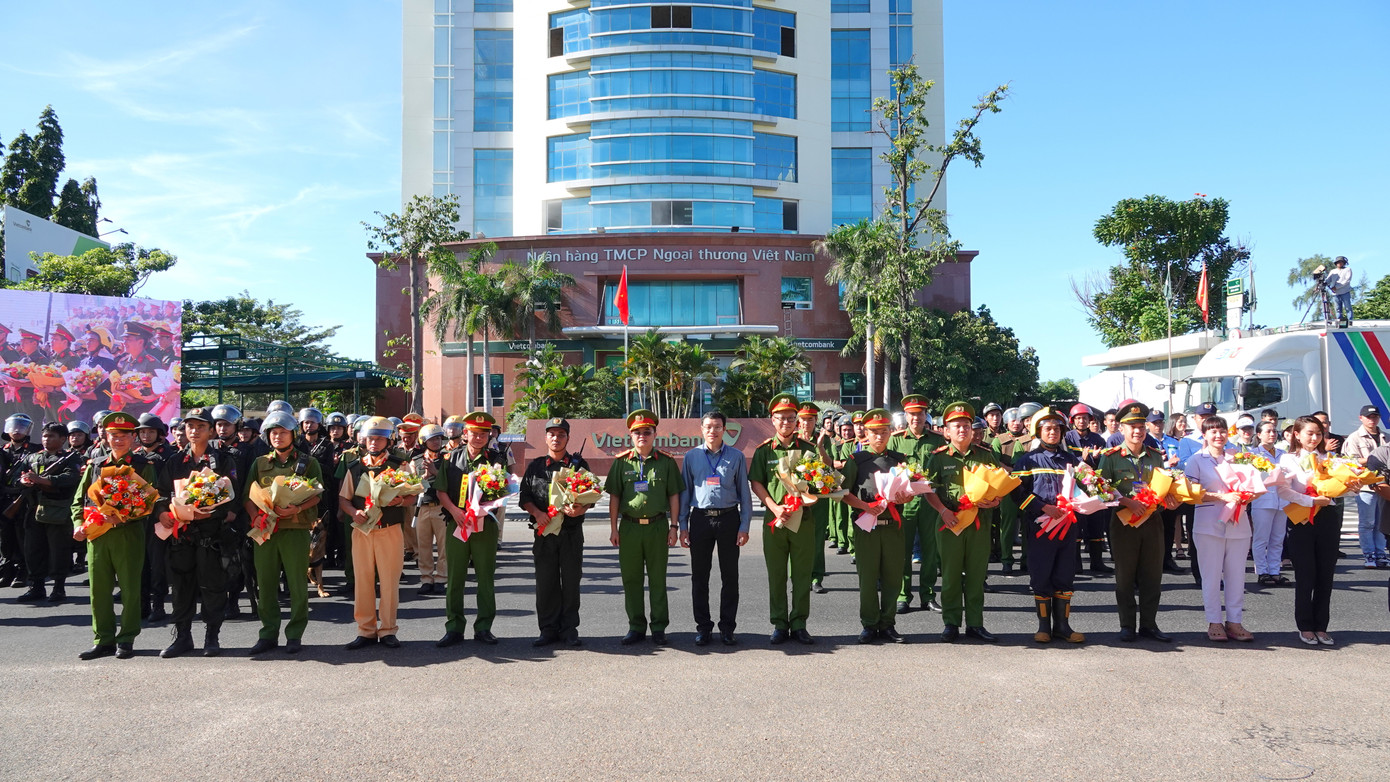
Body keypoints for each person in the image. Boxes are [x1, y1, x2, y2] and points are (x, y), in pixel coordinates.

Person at [72, 412, 158, 660]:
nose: (118, 440)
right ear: (105, 437)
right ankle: (103, 639)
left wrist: (123, 517)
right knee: (98, 590)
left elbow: (150, 502)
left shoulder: (143, 465)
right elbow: (79, 499)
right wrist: (77, 524)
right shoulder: (95, 464)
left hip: (127, 534)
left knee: (130, 588)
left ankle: (127, 638)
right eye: (113, 435)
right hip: (97, 534)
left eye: (124, 435)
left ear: (134, 437)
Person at [156, 408, 238, 658]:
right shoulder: (174, 461)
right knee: (181, 588)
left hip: (211, 536)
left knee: (213, 587)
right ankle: (182, 637)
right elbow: (160, 494)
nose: (194, 431)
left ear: (211, 431)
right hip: (182, 536)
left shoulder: (223, 460)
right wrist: (161, 513)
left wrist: (211, 514)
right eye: (189, 426)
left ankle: (211, 637)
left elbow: (233, 501)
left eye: (200, 426)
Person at [923, 402, 1003, 642]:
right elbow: (927, 489)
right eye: (956, 426)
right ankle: (951, 623)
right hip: (950, 523)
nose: (962, 430)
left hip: (979, 524)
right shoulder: (937, 458)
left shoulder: (986, 455)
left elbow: (999, 485)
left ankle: (975, 624)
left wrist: (995, 501)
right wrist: (942, 510)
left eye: (966, 425)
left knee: (977, 576)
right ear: (946, 431)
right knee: (951, 576)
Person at [243, 411, 322, 655]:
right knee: (265, 584)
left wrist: (297, 507)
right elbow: (249, 495)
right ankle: (268, 634)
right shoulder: (260, 463)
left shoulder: (308, 462)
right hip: (266, 531)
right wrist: (256, 516)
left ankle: (295, 635)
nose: (278, 437)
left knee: (297, 584)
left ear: (293, 435)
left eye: (283, 432)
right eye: (274, 433)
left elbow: (317, 494)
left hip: (295, 530)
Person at [604, 409, 683, 646]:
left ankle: (659, 627)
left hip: (658, 527)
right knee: (631, 579)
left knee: (658, 579)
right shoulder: (621, 463)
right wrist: (613, 528)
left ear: (654, 434)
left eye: (646, 432)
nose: (642, 436)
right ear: (630, 435)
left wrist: (674, 526)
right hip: (629, 528)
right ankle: (636, 626)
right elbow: (615, 497)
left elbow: (674, 496)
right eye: (637, 432)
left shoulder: (666, 462)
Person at [1097, 402, 1174, 643]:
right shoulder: (1110, 458)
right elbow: (1101, 490)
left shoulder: (1155, 457)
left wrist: (1171, 499)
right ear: (1121, 428)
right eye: (1132, 426)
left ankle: (1149, 624)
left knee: (1152, 576)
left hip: (1152, 522)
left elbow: (1162, 487)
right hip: (1124, 523)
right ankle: (1127, 625)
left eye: (1141, 426)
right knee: (1125, 577)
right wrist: (1127, 502)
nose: (1137, 431)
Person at [748, 394, 819, 645]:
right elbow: (756, 482)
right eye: (781, 418)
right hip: (775, 521)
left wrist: (811, 493)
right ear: (772, 420)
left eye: (791, 418)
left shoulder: (809, 450)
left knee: (801, 575)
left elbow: (820, 482)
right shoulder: (764, 450)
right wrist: (775, 508)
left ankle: (799, 623)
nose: (787, 423)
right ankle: (779, 623)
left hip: (803, 520)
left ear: (797, 421)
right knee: (776, 574)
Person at [517, 417, 593, 647]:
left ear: (567, 438)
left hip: (570, 533)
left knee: (571, 582)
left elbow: (590, 496)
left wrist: (580, 509)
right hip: (544, 532)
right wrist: (537, 513)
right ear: (546, 437)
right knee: (546, 583)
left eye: (561, 434)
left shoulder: (579, 465)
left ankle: (570, 629)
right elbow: (525, 497)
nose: (556, 438)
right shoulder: (536, 466)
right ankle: (548, 629)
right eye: (552, 434)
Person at [677, 411, 751, 646]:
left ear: (724, 429)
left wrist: (744, 525)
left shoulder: (737, 456)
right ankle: (703, 628)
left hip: (729, 519)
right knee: (700, 577)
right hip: (700, 520)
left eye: (717, 426)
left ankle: (728, 628)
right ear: (701, 429)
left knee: (730, 576)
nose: (713, 431)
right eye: (708, 426)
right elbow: (685, 492)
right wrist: (683, 525)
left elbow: (745, 494)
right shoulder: (691, 457)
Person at [1012, 407, 1084, 643]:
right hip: (1040, 528)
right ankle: (1043, 627)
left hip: (1068, 526)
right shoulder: (1027, 460)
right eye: (1047, 428)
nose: (1052, 432)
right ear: (1038, 431)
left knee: (1065, 574)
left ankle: (1063, 626)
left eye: (1056, 428)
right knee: (1041, 575)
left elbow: (1084, 488)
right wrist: (1043, 508)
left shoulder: (1072, 460)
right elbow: (1017, 494)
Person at [338, 416, 410, 650]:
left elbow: (414, 495)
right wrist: (353, 512)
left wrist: (400, 500)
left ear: (389, 441)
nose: (374, 442)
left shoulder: (400, 465)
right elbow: (343, 499)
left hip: (389, 530)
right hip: (362, 531)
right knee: (363, 581)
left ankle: (388, 629)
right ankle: (365, 630)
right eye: (371, 438)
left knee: (390, 581)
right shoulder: (355, 465)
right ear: (363, 439)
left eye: (380, 438)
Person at [434, 411, 505, 647]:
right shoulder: (450, 458)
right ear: (465, 434)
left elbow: (502, 492)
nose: (479, 438)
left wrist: (483, 510)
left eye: (483, 434)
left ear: (489, 436)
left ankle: (484, 627)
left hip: (484, 526)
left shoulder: (496, 460)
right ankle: (454, 627)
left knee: (485, 577)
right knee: (455, 577)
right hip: (457, 524)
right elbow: (441, 490)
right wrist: (455, 511)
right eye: (474, 433)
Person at [839, 408, 909, 643]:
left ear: (891, 432)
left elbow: (909, 492)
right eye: (874, 432)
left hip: (892, 526)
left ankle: (888, 624)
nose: (879, 436)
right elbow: (843, 493)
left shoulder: (899, 460)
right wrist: (865, 506)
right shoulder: (856, 461)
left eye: (884, 431)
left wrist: (905, 497)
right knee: (867, 579)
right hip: (866, 526)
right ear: (866, 434)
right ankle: (869, 624)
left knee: (892, 577)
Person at [1184, 415, 1255, 642]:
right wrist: (1220, 496)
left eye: (1222, 431)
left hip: (1238, 523)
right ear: (1204, 435)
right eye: (1213, 431)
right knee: (1211, 576)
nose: (1218, 435)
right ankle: (1214, 621)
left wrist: (1250, 494)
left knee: (1236, 576)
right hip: (1209, 525)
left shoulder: (1238, 458)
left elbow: (1252, 482)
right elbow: (1190, 493)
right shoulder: (1196, 460)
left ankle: (1234, 622)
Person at [1278, 416, 1342, 645]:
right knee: (1306, 575)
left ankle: (1321, 625)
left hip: (1327, 518)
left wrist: (1351, 486)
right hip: (1302, 519)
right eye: (1309, 433)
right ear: (1296, 434)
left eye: (1318, 434)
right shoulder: (1287, 459)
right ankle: (1305, 626)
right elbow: (1283, 491)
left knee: (1326, 574)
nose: (1314, 438)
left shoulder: (1329, 458)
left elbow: (1340, 488)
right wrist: (1310, 501)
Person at [890, 394, 946, 613]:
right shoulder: (896, 439)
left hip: (931, 502)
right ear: (906, 416)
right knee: (903, 551)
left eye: (920, 414)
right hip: (905, 502)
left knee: (930, 551)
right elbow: (889, 469)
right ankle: (904, 595)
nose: (916, 418)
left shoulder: (937, 440)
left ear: (926, 415)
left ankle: (928, 595)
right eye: (912, 415)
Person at [16, 423, 84, 603]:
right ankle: (36, 587)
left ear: (63, 439)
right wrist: (24, 481)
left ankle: (59, 588)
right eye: (45, 436)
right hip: (34, 509)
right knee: (33, 550)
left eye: (52, 436)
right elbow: (16, 476)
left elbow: (70, 478)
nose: (47, 440)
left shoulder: (71, 458)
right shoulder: (32, 457)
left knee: (58, 550)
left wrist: (43, 480)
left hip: (58, 509)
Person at [1065, 404, 1112, 575]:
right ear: (1073, 420)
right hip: (1076, 488)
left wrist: (1096, 458)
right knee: (1077, 525)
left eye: (1085, 418)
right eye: (1078, 418)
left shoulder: (1098, 439)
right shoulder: (1067, 438)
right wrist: (1082, 459)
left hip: (1094, 488)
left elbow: (1104, 464)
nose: (1082, 421)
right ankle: (1076, 563)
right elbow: (1066, 461)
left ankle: (1097, 562)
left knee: (1096, 525)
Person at [1340, 404, 1388, 569]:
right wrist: (1371, 459)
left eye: (1375, 417)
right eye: (1368, 417)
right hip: (1365, 485)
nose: (1372, 420)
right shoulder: (1354, 438)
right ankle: (1369, 554)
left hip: (1383, 484)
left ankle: (1381, 553)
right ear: (1361, 418)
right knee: (1367, 522)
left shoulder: (1385, 437)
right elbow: (1349, 461)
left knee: (1381, 521)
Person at [796, 402, 833, 595]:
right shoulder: (793, 438)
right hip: (798, 497)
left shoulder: (823, 438)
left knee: (817, 539)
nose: (806, 423)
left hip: (819, 497)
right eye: (803, 419)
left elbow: (829, 466)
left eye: (810, 419)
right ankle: (800, 576)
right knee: (797, 539)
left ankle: (816, 577)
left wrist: (820, 446)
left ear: (815, 421)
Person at [1, 414, 41, 588]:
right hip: (4, 498)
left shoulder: (34, 450)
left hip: (24, 498)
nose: (16, 431)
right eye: (13, 426)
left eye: (21, 427)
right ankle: (7, 570)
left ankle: (23, 571)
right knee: (5, 537)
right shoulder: (3, 451)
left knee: (23, 537)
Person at [410, 424, 450, 596]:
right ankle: (426, 578)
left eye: (439, 438)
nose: (436, 441)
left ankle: (441, 578)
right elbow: (410, 485)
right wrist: (423, 479)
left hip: (441, 507)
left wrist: (436, 471)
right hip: (422, 507)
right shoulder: (416, 460)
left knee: (443, 546)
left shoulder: (448, 459)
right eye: (432, 439)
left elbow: (451, 483)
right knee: (423, 545)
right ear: (424, 441)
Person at [1328, 256, 1353, 325]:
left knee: (1348, 307)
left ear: (1344, 263)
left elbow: (1347, 280)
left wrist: (1337, 287)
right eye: (1338, 262)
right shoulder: (1333, 271)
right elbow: (1328, 280)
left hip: (1345, 291)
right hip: (1335, 293)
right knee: (1338, 308)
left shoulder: (1348, 269)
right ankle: (1339, 321)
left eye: (1341, 262)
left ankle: (1350, 321)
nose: (1340, 263)